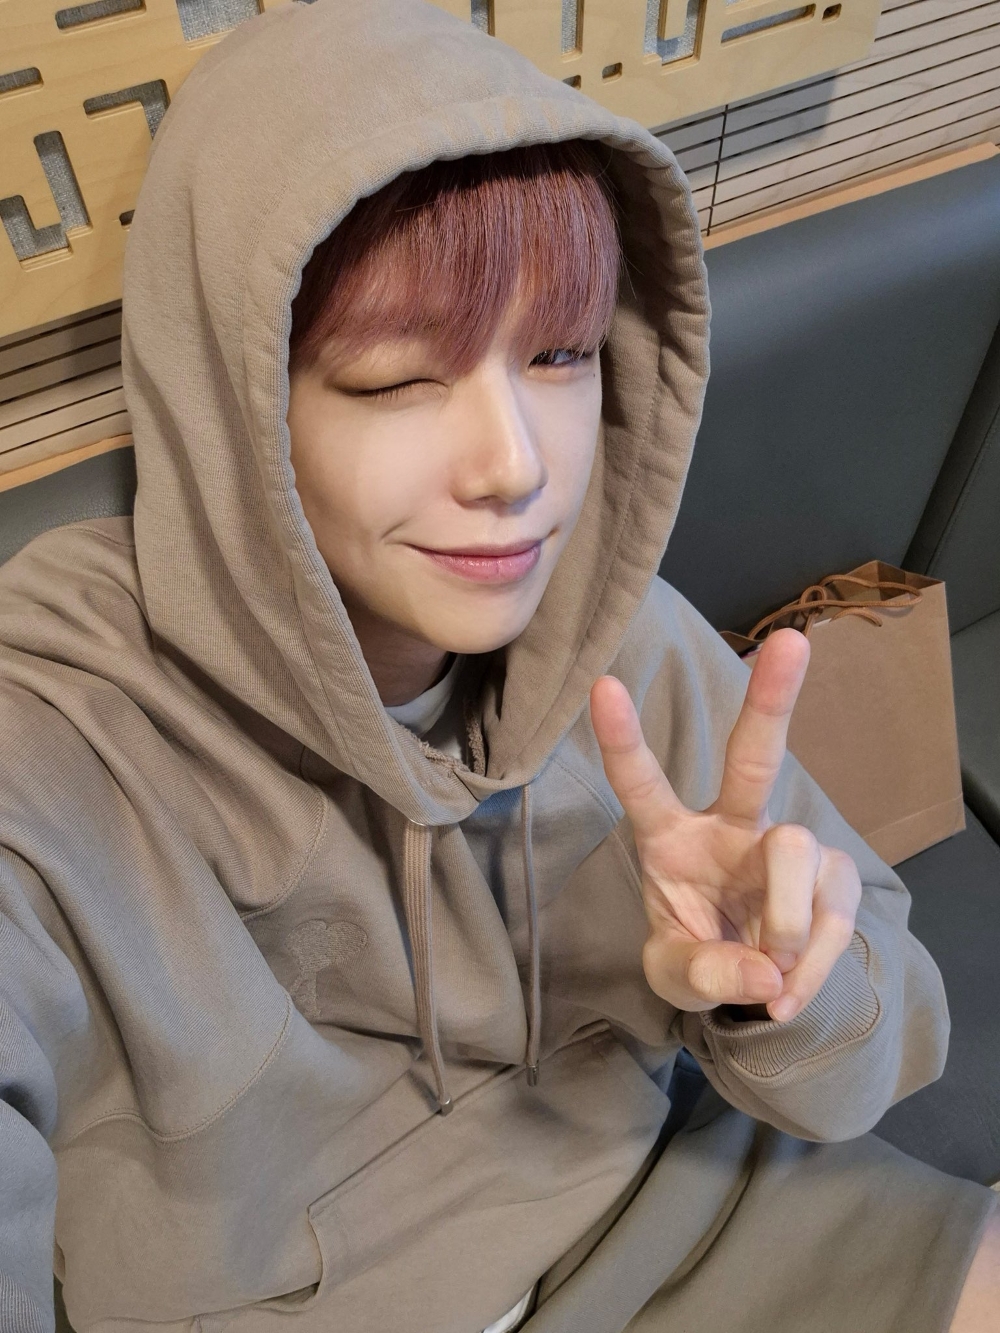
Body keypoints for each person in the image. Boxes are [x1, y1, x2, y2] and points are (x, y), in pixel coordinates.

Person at [0, 0, 996, 1330]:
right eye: (395, 379)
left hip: (685, 1206)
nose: (517, 465)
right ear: (235, 411)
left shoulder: (618, 645)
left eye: (560, 355)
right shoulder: (63, 722)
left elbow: (875, 1056)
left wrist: (784, 996)